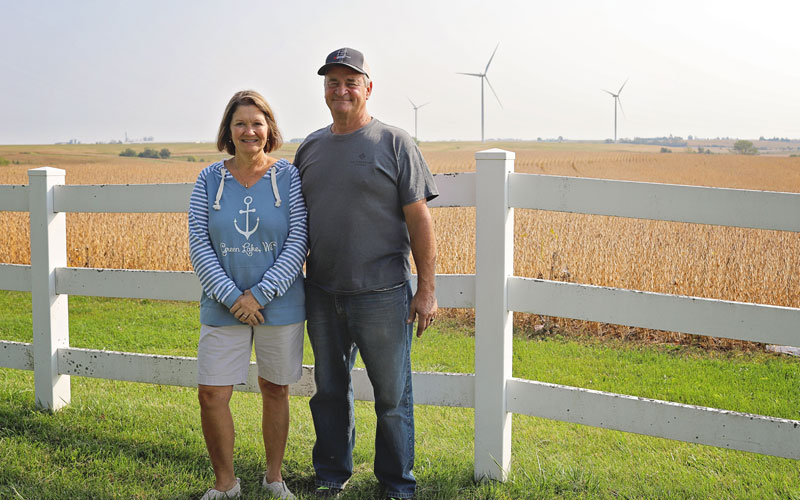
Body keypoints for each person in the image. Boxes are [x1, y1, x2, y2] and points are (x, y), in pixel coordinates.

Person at [294, 48, 439, 500]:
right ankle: (332, 475)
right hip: (321, 291)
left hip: (383, 293)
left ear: (368, 88)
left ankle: (397, 484)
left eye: (351, 82)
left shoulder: (395, 142)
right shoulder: (310, 148)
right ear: (324, 90)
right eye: (333, 82)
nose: (341, 90)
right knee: (329, 391)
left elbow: (419, 220)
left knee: (392, 398)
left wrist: (426, 290)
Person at [188, 90, 307, 500]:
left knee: (276, 388)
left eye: (257, 123)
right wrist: (232, 296)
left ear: (269, 129)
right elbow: (199, 244)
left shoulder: (288, 177)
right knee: (212, 394)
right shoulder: (208, 179)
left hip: (280, 303)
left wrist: (259, 294)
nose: (249, 130)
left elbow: (298, 242)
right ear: (228, 130)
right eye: (240, 123)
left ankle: (274, 478)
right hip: (223, 306)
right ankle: (226, 484)